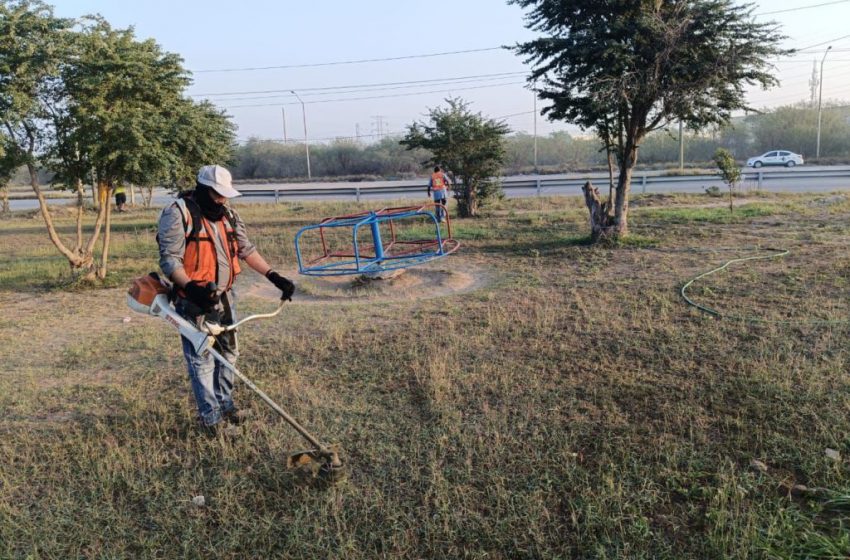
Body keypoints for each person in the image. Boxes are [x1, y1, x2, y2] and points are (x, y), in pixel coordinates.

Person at [157, 164, 295, 435]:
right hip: (193, 301)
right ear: (203, 189)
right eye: (217, 194)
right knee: (202, 359)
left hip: (225, 297)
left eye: (225, 194)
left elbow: (246, 250)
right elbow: (170, 260)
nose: (222, 199)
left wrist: (274, 276)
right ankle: (211, 421)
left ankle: (225, 405)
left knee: (229, 352)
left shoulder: (229, 215)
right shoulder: (178, 213)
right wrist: (193, 289)